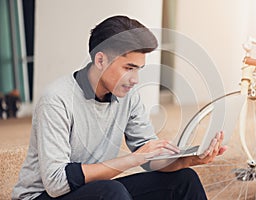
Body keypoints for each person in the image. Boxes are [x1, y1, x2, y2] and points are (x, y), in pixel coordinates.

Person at [12, 15, 226, 200]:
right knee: (112, 193)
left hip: (94, 191)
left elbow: (151, 158)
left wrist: (190, 159)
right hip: (42, 196)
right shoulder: (56, 99)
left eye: (139, 69)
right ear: (100, 59)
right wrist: (131, 159)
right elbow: (57, 183)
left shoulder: (127, 97)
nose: (135, 79)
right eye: (128, 68)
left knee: (183, 180)